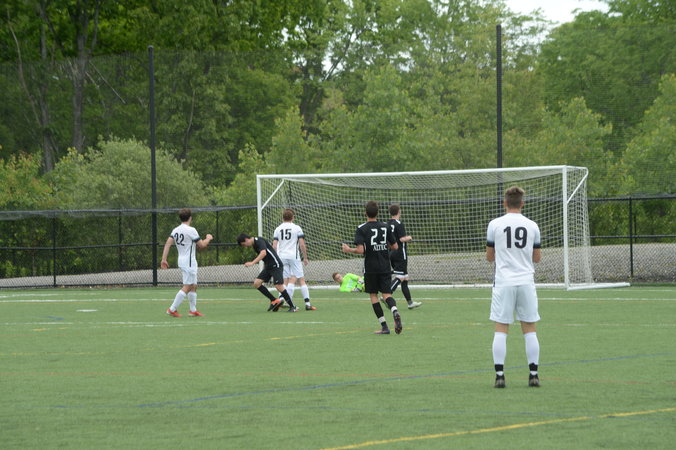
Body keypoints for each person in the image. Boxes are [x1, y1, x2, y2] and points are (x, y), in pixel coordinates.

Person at [486, 186, 542, 388]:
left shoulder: (494, 224)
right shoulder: (532, 226)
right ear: (522, 204)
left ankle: (500, 376)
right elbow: (537, 258)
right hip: (526, 281)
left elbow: (489, 257)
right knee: (530, 329)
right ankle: (533, 375)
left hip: (504, 282)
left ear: (505, 203)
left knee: (501, 328)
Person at [342, 200, 403, 335]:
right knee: (386, 294)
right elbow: (395, 246)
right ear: (378, 213)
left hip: (371, 267)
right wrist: (383, 247)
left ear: (365, 213)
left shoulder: (361, 228)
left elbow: (360, 250)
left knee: (373, 295)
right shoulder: (386, 226)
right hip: (385, 266)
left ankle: (384, 326)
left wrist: (348, 249)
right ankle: (394, 311)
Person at [161, 208, 213, 317]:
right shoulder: (191, 230)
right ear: (190, 218)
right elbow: (202, 245)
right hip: (188, 262)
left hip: (183, 260)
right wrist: (208, 238)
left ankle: (193, 310)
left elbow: (168, 244)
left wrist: (164, 259)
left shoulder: (176, 230)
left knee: (193, 285)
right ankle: (172, 309)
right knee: (188, 286)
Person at [237, 233, 298, 312]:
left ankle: (293, 307)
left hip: (276, 265)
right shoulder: (254, 244)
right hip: (268, 266)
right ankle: (274, 300)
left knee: (278, 286)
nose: (245, 246)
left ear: (246, 239)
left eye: (244, 244)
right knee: (257, 283)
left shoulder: (258, 240)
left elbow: (263, 253)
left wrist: (252, 263)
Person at [273, 209, 315, 311]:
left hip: (281, 257)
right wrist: (305, 257)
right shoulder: (297, 228)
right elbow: (302, 244)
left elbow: (274, 246)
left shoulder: (278, 229)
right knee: (301, 280)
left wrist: (275, 258)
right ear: (293, 218)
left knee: (284, 280)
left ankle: (281, 299)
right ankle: (308, 304)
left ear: (282, 218)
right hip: (293, 257)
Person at [387, 204, 422, 310]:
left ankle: (410, 302)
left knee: (405, 278)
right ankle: (387, 295)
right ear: (399, 212)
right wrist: (409, 238)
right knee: (400, 277)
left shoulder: (387, 224)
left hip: (391, 252)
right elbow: (402, 239)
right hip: (400, 253)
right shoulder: (399, 224)